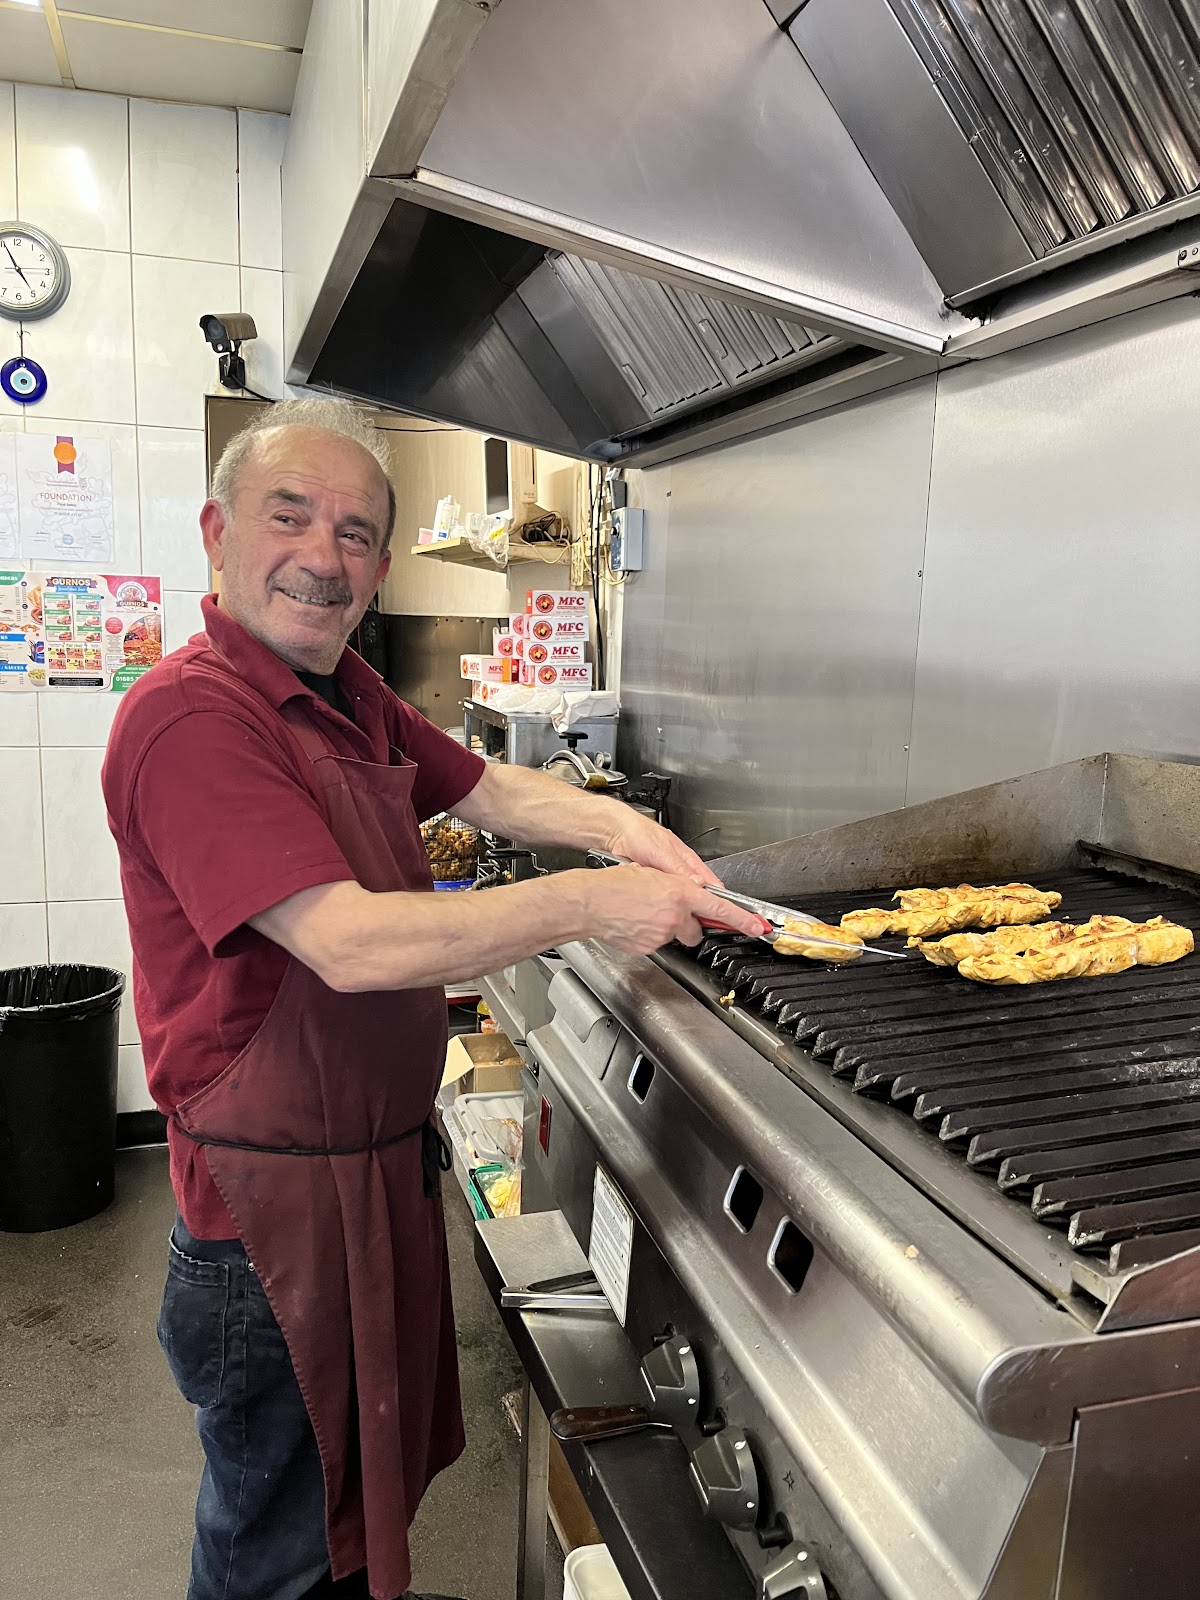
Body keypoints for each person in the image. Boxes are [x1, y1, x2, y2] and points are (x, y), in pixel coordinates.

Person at [101, 397, 764, 1600]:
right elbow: (345, 943)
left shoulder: (342, 688)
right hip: (269, 1225)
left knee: (345, 1519)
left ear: (384, 563)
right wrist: (589, 904)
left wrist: (624, 829)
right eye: (289, 514)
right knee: (275, 1547)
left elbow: (489, 789)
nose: (323, 555)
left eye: (357, 532)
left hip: (365, 1175)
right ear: (216, 531)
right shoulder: (192, 716)